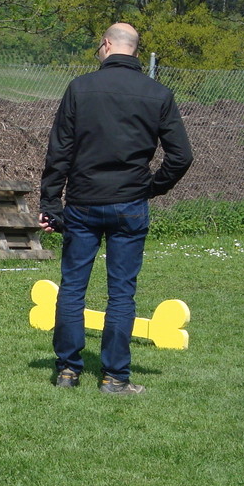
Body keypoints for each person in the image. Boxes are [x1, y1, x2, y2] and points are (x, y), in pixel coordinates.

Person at [38, 23, 193, 394]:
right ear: (135, 50)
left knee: (72, 288)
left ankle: (67, 372)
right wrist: (152, 187)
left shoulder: (80, 88)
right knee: (121, 293)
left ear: (106, 45)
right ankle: (115, 378)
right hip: (130, 204)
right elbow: (181, 156)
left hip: (83, 203)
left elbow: (59, 150)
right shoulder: (158, 93)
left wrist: (50, 203)